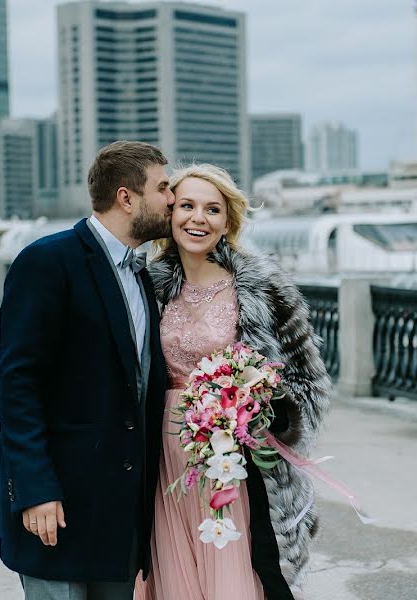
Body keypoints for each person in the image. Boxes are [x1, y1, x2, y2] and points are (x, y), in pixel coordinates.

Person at [0, 141, 175, 599]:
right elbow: (17, 384)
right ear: (127, 197)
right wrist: (34, 489)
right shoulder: (48, 261)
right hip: (57, 503)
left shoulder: (142, 273)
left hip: (119, 511)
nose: (172, 198)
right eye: (163, 187)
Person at [136, 164, 332, 600]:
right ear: (170, 214)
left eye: (212, 209)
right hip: (163, 456)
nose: (198, 218)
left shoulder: (264, 288)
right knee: (172, 574)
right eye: (187, 206)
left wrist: (259, 414)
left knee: (237, 574)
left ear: (228, 222)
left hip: (235, 458)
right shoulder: (145, 287)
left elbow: (308, 382)